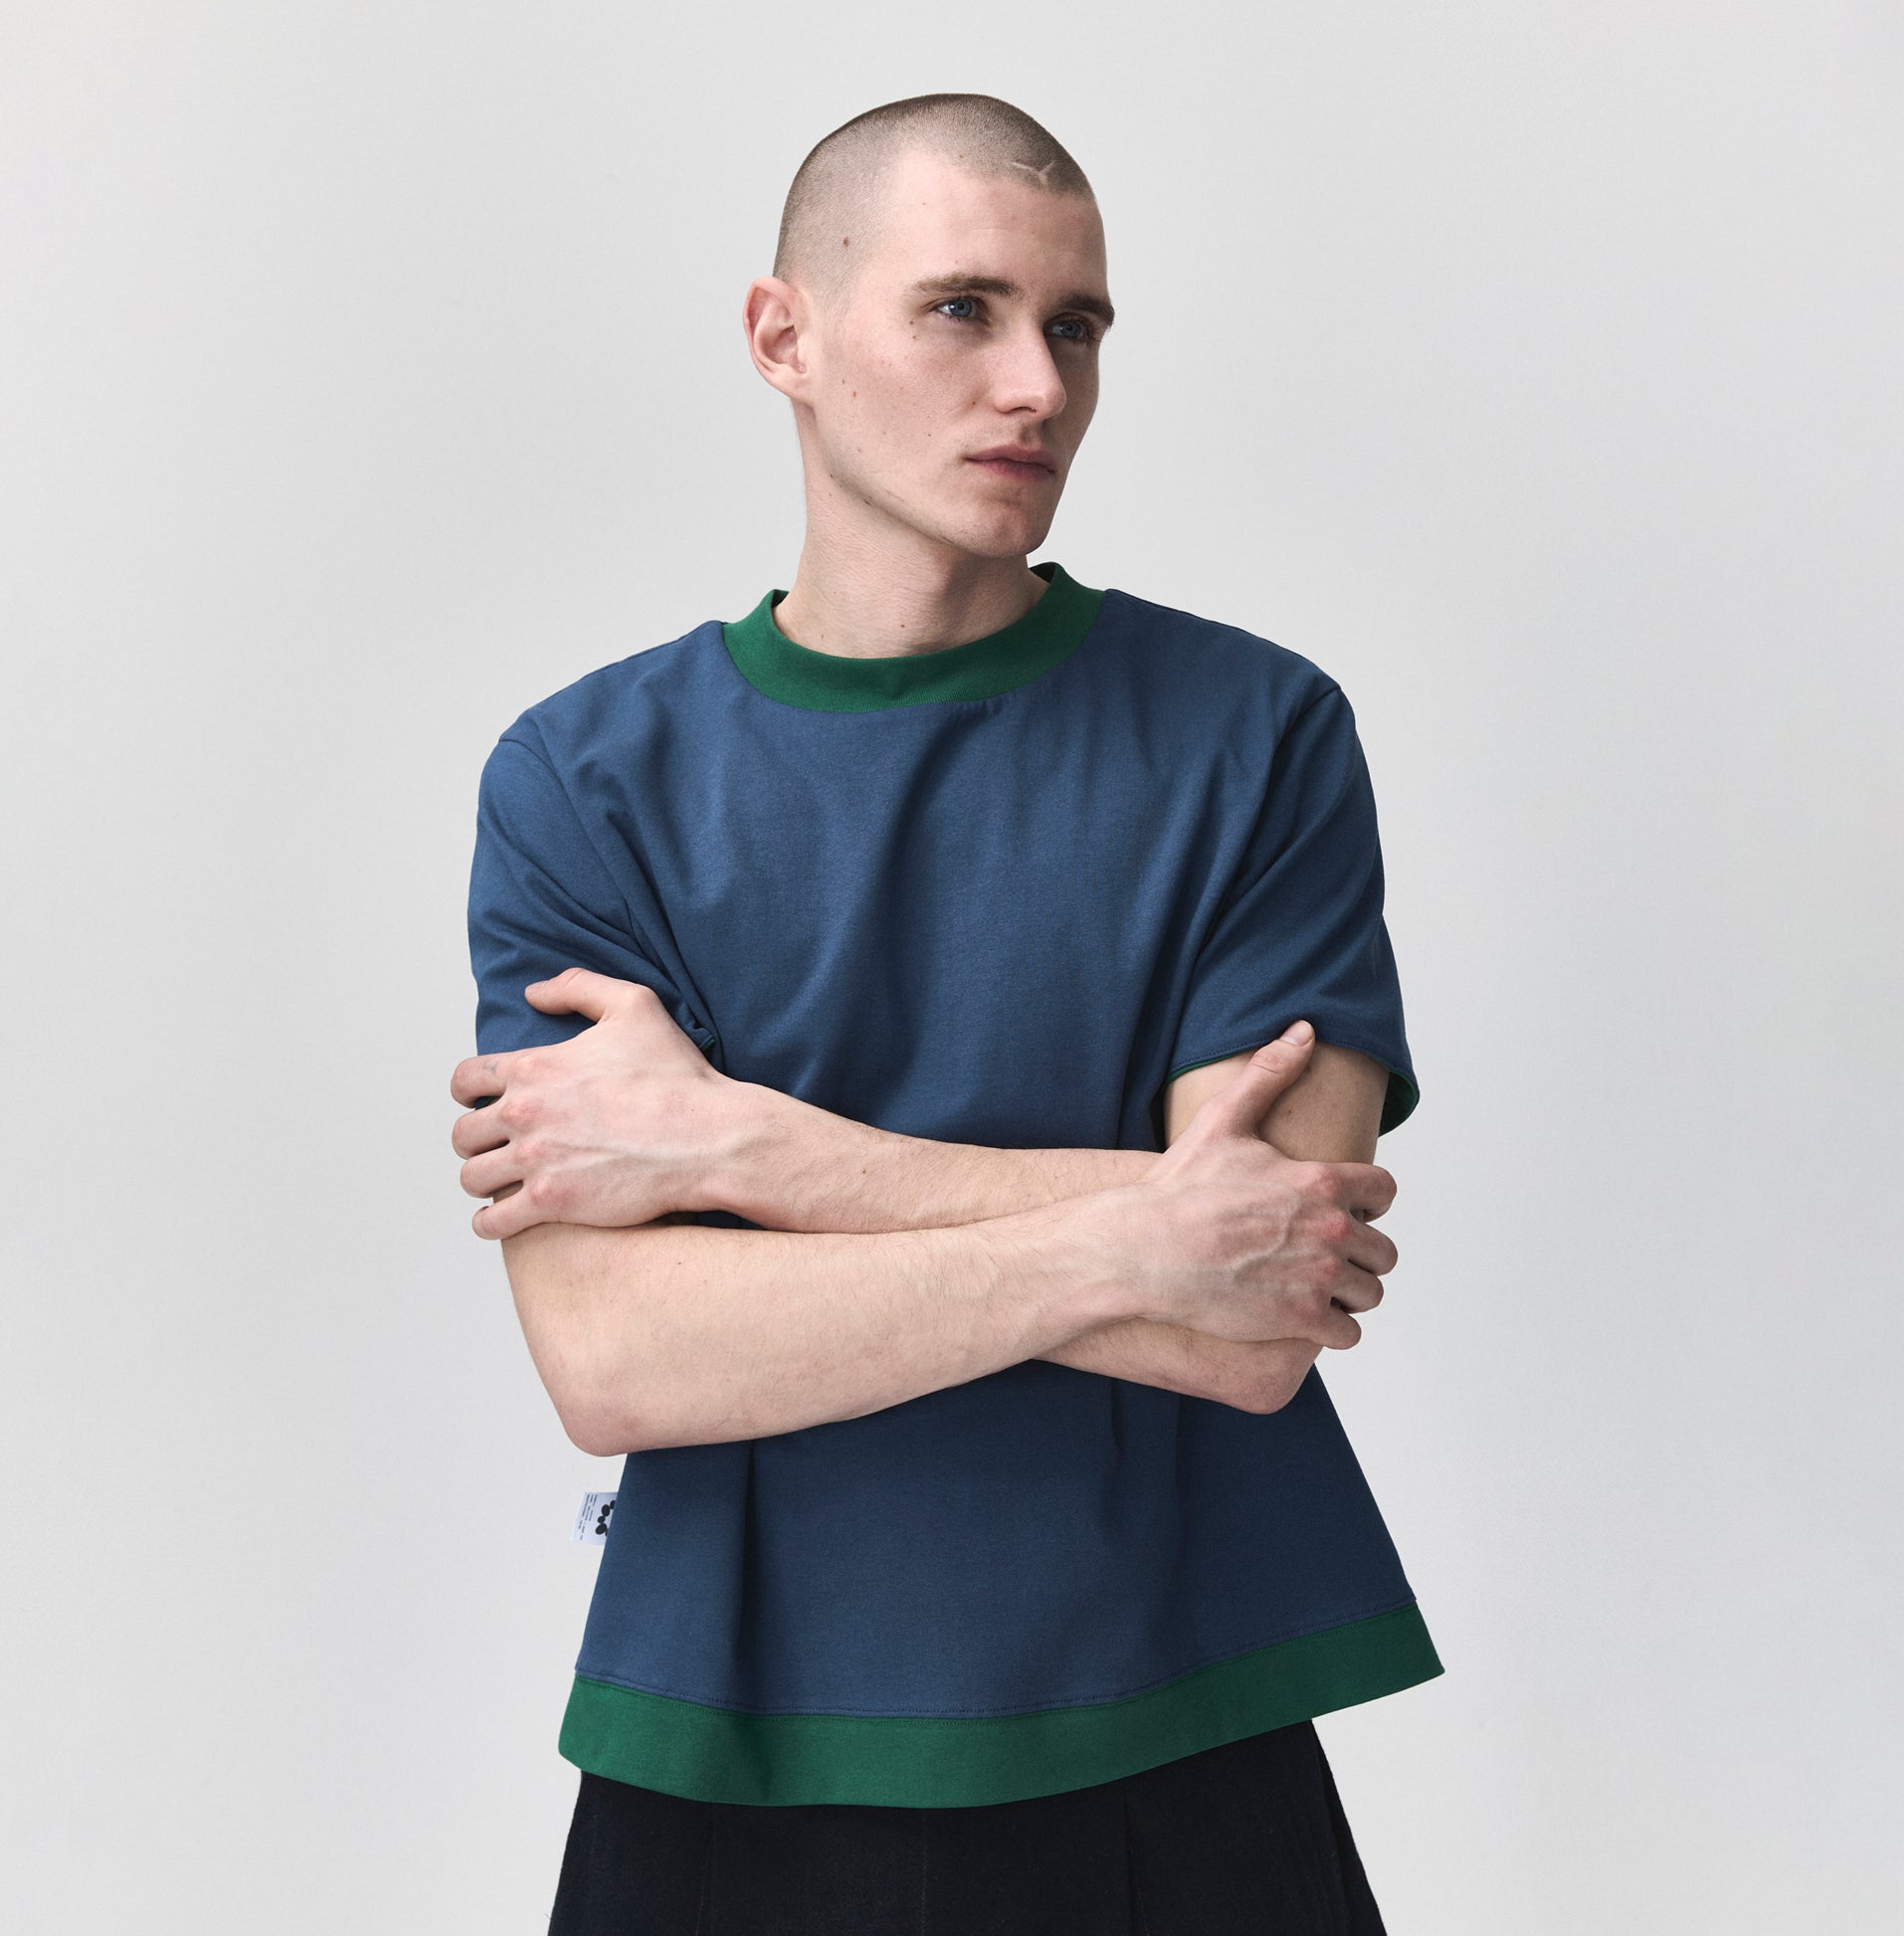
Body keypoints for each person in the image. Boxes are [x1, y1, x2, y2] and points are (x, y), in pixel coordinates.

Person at [452, 92, 1439, 1935]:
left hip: (1178, 1731)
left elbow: (1260, 1308)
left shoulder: (1255, 734)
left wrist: (751, 1151)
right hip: (729, 1750)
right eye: (961, 310)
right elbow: (620, 1359)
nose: (1036, 385)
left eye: (1076, 325)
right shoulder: (586, 779)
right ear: (785, 336)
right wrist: (1145, 1232)